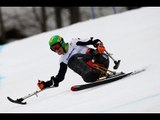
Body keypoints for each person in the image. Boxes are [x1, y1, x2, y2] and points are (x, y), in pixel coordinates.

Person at [37, 35, 110, 90]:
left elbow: (92, 40)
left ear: (62, 43)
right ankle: (91, 74)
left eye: (57, 46)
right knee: (71, 61)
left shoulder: (74, 42)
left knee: (73, 58)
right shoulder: (63, 60)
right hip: (90, 74)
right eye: (53, 49)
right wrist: (45, 84)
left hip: (101, 59)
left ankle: (95, 71)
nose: (56, 50)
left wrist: (98, 44)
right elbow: (60, 77)